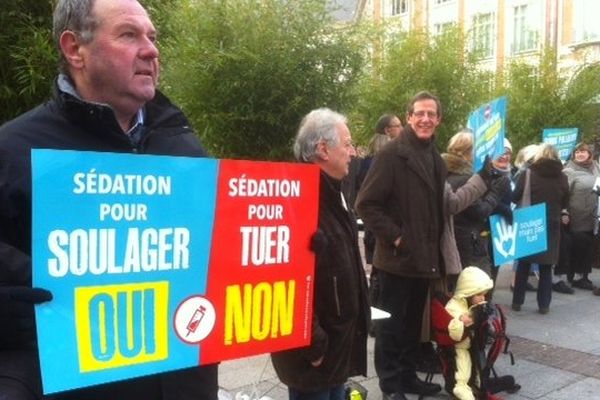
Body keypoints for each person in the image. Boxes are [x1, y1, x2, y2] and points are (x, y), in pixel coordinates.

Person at [0, 0, 218, 398]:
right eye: (128, 35)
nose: (151, 50)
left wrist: (292, 248)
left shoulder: (183, 145)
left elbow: (216, 247)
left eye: (152, 37)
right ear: (74, 49)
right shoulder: (13, 149)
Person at [355, 91, 493, 400]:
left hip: (425, 261)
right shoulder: (392, 154)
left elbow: (445, 206)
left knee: (411, 327)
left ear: (439, 120)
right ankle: (391, 386)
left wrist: (485, 175)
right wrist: (398, 237)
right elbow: (365, 204)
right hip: (396, 259)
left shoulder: (435, 159)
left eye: (431, 114)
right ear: (409, 117)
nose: (425, 119)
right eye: (420, 113)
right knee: (390, 327)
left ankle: (406, 377)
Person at [271, 108, 370, 400]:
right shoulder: (294, 199)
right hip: (314, 356)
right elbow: (282, 280)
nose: (353, 152)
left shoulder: (333, 192)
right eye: (348, 143)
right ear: (323, 149)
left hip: (333, 349)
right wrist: (313, 346)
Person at [443, 130, 510, 277]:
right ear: (469, 152)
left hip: (457, 240)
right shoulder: (465, 178)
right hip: (468, 243)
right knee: (475, 289)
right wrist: (496, 192)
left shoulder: (446, 172)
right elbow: (480, 211)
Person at [511, 143, 569, 314]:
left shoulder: (528, 173)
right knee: (546, 267)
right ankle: (544, 305)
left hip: (530, 221)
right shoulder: (563, 177)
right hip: (552, 223)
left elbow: (515, 197)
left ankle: (517, 302)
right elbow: (565, 201)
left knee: (523, 264)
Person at [445, 266, 494, 400]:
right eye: (478, 294)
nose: (482, 297)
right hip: (459, 346)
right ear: (467, 293)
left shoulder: (475, 304)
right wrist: (466, 319)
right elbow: (454, 332)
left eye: (484, 293)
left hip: (473, 343)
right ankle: (461, 388)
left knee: (479, 367)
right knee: (463, 370)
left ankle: (479, 385)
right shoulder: (453, 306)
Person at [562, 143, 600, 291]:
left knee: (589, 245)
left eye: (582, 151)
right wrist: (564, 211)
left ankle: (583, 275)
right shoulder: (569, 171)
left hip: (594, 215)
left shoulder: (596, 167)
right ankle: (576, 277)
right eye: (577, 152)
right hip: (577, 215)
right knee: (579, 244)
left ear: (589, 154)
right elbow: (564, 193)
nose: (579, 154)